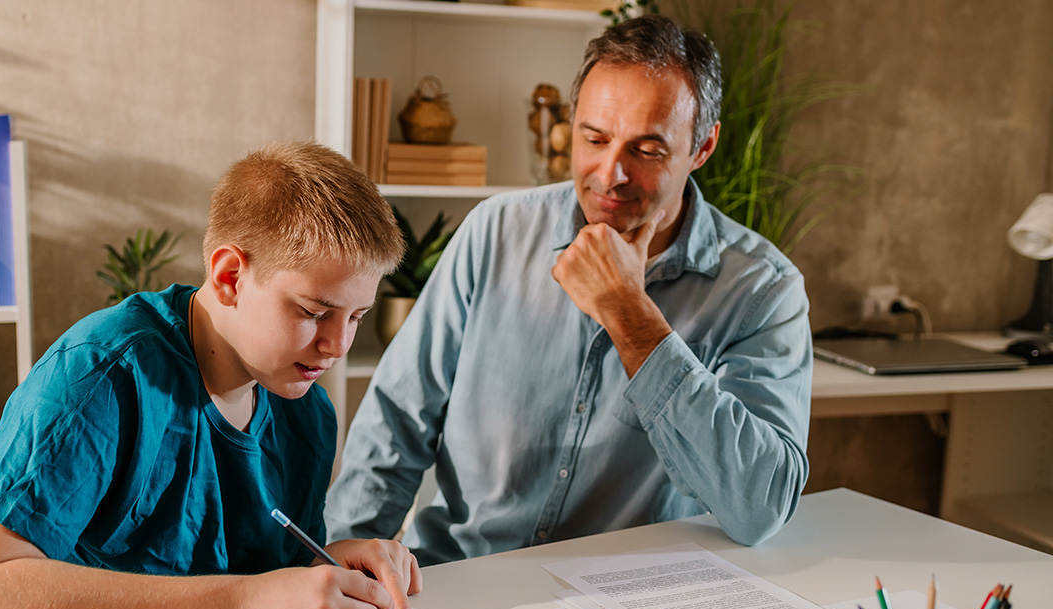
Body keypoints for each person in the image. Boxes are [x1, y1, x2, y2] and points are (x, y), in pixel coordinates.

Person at [325, 15, 813, 566]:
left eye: (647, 150)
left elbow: (760, 509)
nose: (611, 173)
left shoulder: (762, 291)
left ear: (702, 146)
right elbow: (396, 423)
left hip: (625, 601)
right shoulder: (496, 232)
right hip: (462, 579)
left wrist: (633, 318)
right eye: (595, 138)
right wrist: (344, 556)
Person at [0, 140, 423, 609]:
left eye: (357, 316)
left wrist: (325, 570)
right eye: (314, 312)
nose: (338, 345)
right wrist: (249, 601)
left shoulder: (306, 410)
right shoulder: (102, 376)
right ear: (230, 277)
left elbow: (268, 584)